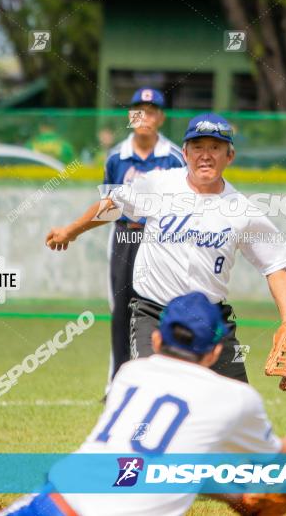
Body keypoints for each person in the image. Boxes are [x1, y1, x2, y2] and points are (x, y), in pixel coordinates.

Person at [0, 292, 286, 516]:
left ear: (155, 338)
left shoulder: (129, 373)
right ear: (213, 352)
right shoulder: (236, 397)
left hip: (53, 501)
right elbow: (269, 460)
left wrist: (232, 497)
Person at [46, 113, 286, 391]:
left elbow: (275, 265)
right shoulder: (158, 184)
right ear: (184, 153)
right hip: (154, 314)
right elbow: (114, 204)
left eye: (215, 147)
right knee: (148, 394)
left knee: (236, 400)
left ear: (230, 156)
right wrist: (71, 230)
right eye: (197, 147)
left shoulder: (241, 209)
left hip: (211, 319)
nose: (205, 155)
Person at [101, 88, 185, 383]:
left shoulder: (174, 157)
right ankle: (119, 382)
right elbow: (108, 205)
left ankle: (164, 379)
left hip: (159, 238)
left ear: (160, 117)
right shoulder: (116, 158)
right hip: (125, 237)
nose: (144, 116)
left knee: (162, 306)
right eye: (138, 110)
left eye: (151, 111)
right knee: (121, 310)